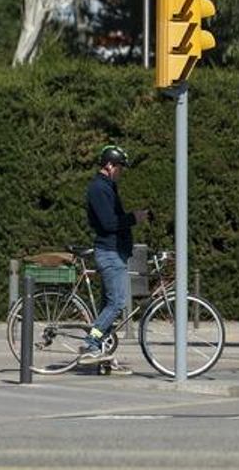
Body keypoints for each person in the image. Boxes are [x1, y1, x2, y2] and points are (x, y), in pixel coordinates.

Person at [78, 145, 150, 373]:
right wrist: (134, 218)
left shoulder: (107, 187)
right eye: (119, 168)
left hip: (114, 252)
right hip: (109, 253)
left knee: (108, 306)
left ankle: (103, 358)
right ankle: (90, 344)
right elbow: (109, 223)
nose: (121, 172)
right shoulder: (99, 189)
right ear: (109, 165)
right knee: (117, 304)